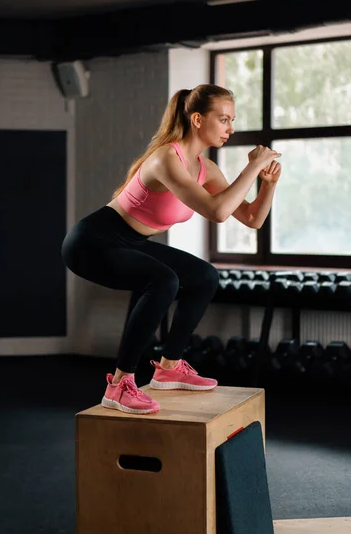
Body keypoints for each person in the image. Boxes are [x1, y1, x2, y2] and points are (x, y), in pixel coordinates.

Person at [61, 84, 282, 414]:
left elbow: (251, 218)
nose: (230, 129)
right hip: (92, 242)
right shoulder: (167, 158)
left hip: (132, 242)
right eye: (223, 119)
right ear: (197, 119)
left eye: (232, 120)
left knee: (204, 276)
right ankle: (119, 385)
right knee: (164, 281)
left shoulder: (206, 168)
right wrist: (251, 167)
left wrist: (268, 185)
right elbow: (217, 212)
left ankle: (169, 367)